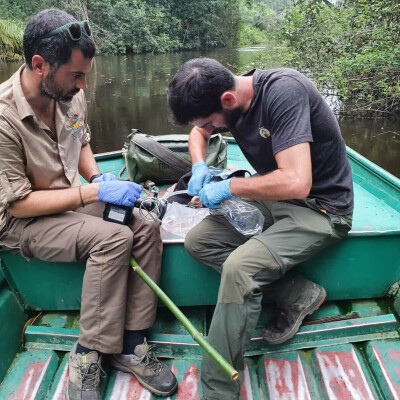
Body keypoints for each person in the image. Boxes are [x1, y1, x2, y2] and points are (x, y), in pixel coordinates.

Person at [0, 9, 177, 400]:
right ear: (40, 65)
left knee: (145, 224)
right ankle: (89, 350)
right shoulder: (4, 119)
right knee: (112, 238)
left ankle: (130, 342)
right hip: (23, 220)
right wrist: (92, 193)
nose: (82, 85)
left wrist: (97, 177)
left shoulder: (68, 95)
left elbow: (81, 141)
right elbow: (18, 206)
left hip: (66, 199)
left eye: (85, 75)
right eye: (75, 75)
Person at [167, 58, 353, 399]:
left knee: (240, 270)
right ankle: (298, 294)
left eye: (212, 122)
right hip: (276, 199)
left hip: (321, 209)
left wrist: (230, 187)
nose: (210, 128)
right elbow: (198, 131)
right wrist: (198, 166)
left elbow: (297, 182)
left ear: (227, 100)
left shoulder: (284, 92)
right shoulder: (229, 101)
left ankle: (218, 391)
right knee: (198, 241)